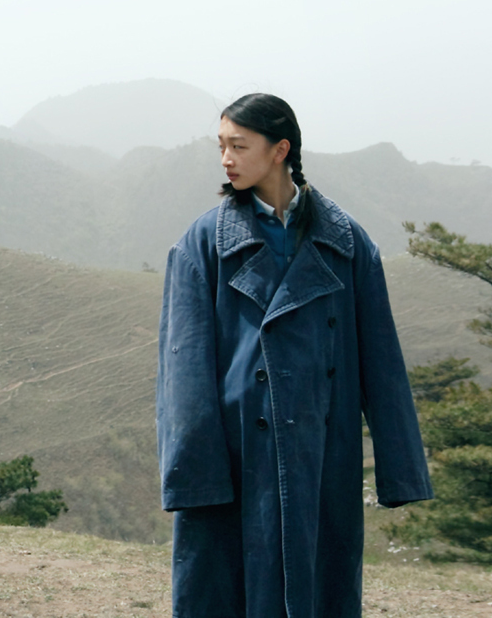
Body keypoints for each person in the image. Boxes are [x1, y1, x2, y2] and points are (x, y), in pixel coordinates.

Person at [155, 93, 430, 617]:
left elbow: (383, 362)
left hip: (323, 450)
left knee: (319, 587)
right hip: (235, 455)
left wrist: (401, 469)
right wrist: (194, 474)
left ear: (280, 149)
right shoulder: (203, 242)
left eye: (239, 145)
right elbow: (182, 367)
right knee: (225, 590)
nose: (226, 159)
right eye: (221, 145)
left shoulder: (348, 242)